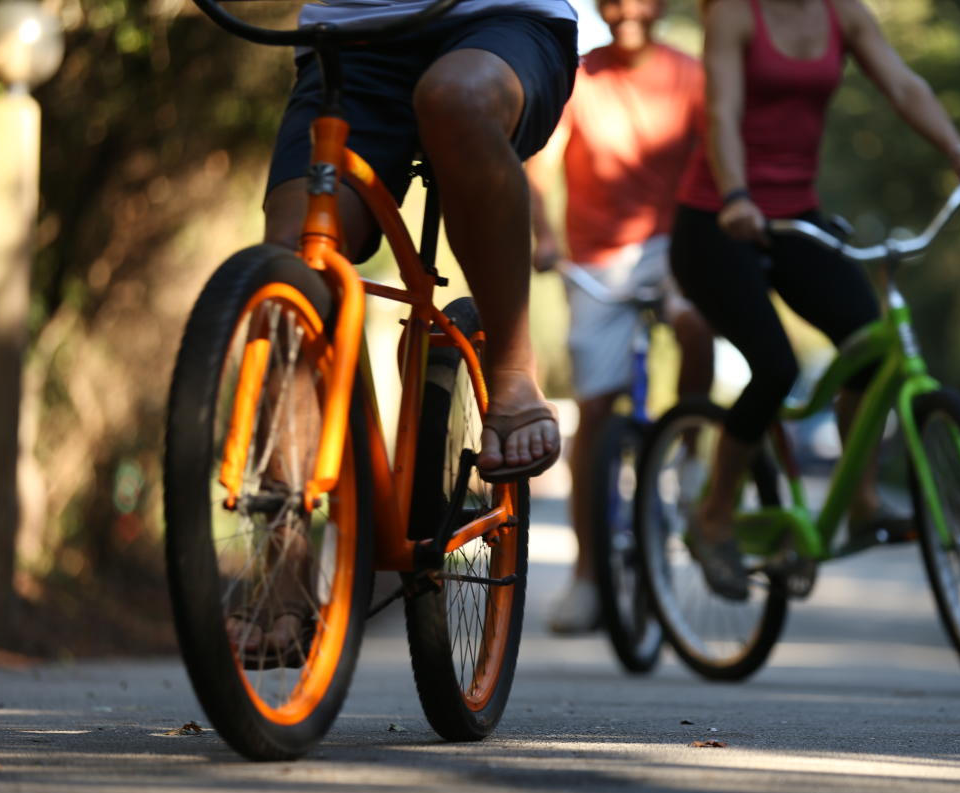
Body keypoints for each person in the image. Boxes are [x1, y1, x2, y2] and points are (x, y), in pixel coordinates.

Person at [231, 0, 580, 654]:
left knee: (456, 99)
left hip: (499, 22)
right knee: (290, 263)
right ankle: (285, 555)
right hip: (353, 40)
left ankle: (511, 374)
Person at [671, 0, 960, 600]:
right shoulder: (735, 13)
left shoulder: (842, 13)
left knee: (870, 349)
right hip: (718, 219)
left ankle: (863, 501)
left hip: (799, 218)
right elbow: (722, 110)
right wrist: (737, 194)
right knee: (774, 367)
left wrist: (958, 150)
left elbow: (902, 84)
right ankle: (714, 517)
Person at [527, 0, 714, 633]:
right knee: (597, 410)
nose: (625, 8)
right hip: (595, 259)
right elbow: (541, 163)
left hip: (673, 249)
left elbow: (714, 167)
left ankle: (690, 457)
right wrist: (543, 237)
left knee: (695, 321)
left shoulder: (692, 76)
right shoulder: (580, 77)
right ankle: (586, 576)